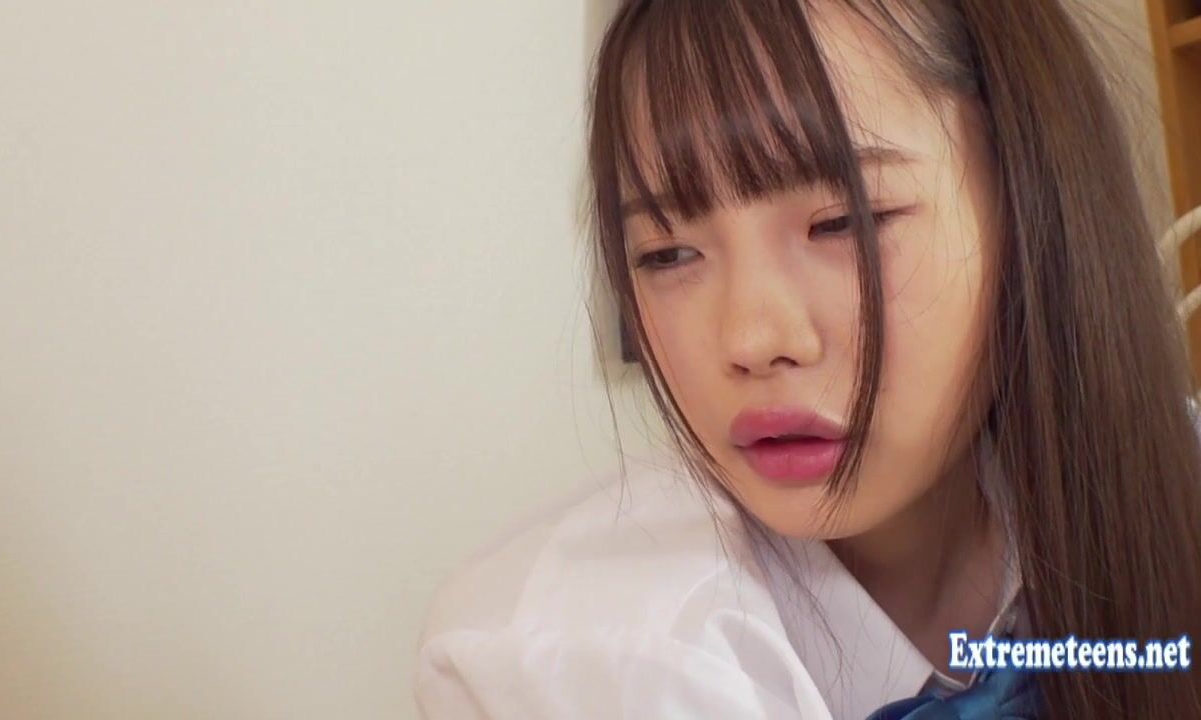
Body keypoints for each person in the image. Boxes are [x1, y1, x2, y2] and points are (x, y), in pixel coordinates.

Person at [413, 1, 1201, 717]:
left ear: (1028, 204)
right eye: (667, 253)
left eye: (842, 222)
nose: (751, 341)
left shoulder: (1170, 487)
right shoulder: (589, 657)